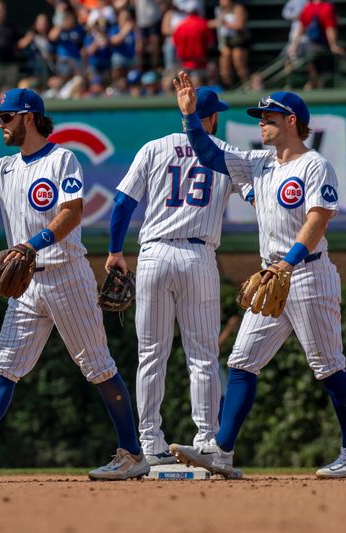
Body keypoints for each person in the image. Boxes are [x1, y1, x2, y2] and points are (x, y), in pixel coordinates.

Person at [0, 88, 149, 481]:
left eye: (6, 116)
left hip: (66, 275)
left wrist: (31, 244)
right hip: (26, 285)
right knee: (4, 367)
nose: (0, 123)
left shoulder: (62, 158)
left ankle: (132, 453)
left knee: (98, 367)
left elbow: (71, 213)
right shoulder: (3, 169)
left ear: (29, 117)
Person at [169, 71, 346, 479]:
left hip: (308, 275)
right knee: (242, 362)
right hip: (271, 280)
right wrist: (190, 117)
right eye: (261, 117)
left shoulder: (315, 165)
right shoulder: (259, 163)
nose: (261, 122)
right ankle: (222, 453)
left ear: (292, 121)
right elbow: (208, 155)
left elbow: (318, 221)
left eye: (269, 117)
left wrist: (288, 262)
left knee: (328, 366)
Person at [104, 87, 252, 466]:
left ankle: (150, 443)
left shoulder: (154, 148)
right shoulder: (224, 154)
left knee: (151, 355)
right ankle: (205, 440)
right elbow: (257, 196)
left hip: (154, 254)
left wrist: (115, 251)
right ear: (213, 117)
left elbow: (122, 202)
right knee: (203, 356)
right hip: (198, 256)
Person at [287, 0, 345, 90]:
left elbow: (301, 28)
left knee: (312, 66)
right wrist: (333, 45)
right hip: (320, 47)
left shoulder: (308, 7)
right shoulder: (326, 7)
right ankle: (313, 84)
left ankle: (310, 84)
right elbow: (329, 29)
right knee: (319, 70)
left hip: (311, 46)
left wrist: (294, 45)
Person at [210, 0, 249, 87]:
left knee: (238, 61)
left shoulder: (238, 8)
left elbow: (240, 25)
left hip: (238, 41)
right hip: (226, 42)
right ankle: (228, 85)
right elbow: (216, 23)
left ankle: (246, 84)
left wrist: (226, 24)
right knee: (224, 63)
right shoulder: (220, 10)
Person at [172, 0, 215, 78]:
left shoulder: (180, 26)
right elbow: (210, 44)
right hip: (201, 64)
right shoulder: (203, 24)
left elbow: (174, 43)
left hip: (184, 64)